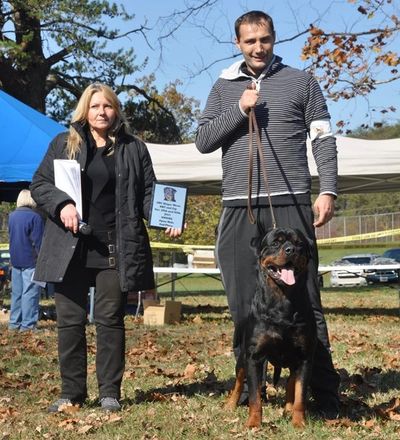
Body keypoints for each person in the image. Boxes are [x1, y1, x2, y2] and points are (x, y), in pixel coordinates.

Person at [195, 11, 340, 419]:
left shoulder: (302, 81)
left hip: (291, 199)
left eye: (265, 39)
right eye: (249, 41)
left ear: (274, 40)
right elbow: (204, 140)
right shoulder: (224, 87)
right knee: (244, 305)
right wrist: (239, 109)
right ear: (238, 44)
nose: (258, 48)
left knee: (307, 302)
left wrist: (327, 188)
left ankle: (324, 395)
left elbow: (324, 140)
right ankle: (246, 386)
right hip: (238, 207)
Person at [30, 83, 182, 413]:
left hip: (115, 247)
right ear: (85, 110)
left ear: (116, 111)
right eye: (96, 106)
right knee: (70, 321)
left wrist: (166, 217)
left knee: (110, 318)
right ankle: (72, 393)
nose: (102, 111)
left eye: (108, 106)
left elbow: (148, 194)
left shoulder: (134, 148)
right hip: (68, 246)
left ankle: (109, 392)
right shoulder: (63, 143)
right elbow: (39, 184)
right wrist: (62, 205)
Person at [8, 189, 44, 332]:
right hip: (31, 260)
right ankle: (28, 325)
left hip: (15, 259)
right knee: (30, 293)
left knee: (16, 293)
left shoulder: (11, 216)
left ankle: (14, 323)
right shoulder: (35, 217)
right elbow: (39, 241)